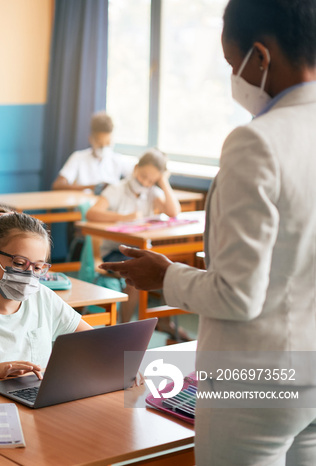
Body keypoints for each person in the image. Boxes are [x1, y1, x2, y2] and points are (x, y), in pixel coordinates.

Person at [100, 1, 316, 464]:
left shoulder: (257, 141)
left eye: (229, 63)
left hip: (259, 376)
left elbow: (239, 297)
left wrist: (167, 276)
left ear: (259, 56)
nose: (232, 78)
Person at [0, 208, 93, 385]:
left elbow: (95, 341)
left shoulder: (43, 298)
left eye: (37, 268)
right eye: (19, 263)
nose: (29, 275)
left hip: (37, 405)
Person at [86, 149, 181, 331]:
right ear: (136, 168)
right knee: (137, 271)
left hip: (140, 249)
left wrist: (163, 182)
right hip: (115, 250)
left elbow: (173, 212)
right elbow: (92, 213)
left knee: (170, 268)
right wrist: (124, 217)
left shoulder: (152, 192)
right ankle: (126, 327)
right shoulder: (117, 189)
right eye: (143, 176)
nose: (145, 182)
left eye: (151, 180)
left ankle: (164, 322)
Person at [52, 112, 133, 193]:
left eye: (108, 143)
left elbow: (137, 176)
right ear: (91, 139)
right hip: (83, 203)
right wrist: (94, 187)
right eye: (100, 144)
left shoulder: (118, 160)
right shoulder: (78, 157)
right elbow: (57, 185)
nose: (104, 147)